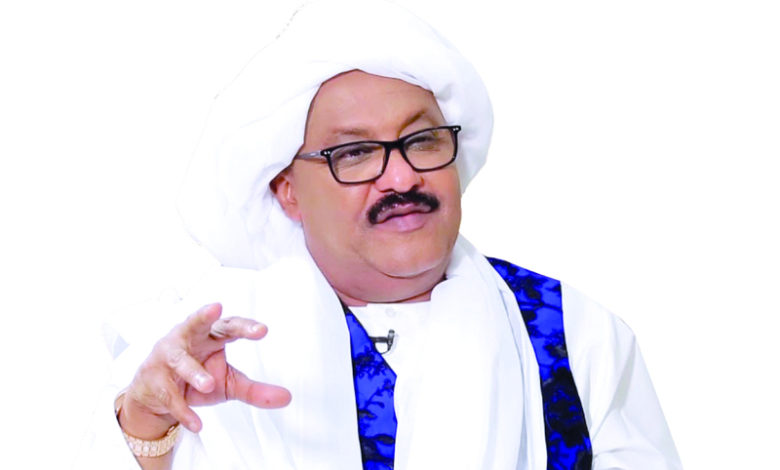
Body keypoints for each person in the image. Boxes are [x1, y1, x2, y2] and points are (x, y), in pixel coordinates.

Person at [76, 1, 681, 469]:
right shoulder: (200, 353)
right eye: (356, 153)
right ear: (287, 190)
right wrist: (145, 425)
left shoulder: (576, 334)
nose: (401, 176)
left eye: (422, 140)